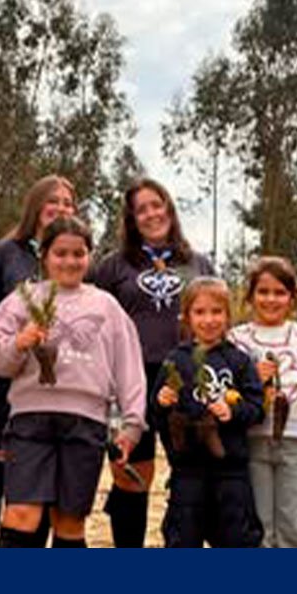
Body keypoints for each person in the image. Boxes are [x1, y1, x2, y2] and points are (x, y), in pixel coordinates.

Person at [0, 216, 146, 548]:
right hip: (30, 421)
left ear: (89, 256)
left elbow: (129, 368)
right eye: (60, 253)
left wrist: (131, 425)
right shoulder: (22, 299)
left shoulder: (105, 305)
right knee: (21, 515)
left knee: (69, 521)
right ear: (44, 256)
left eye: (78, 253)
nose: (70, 261)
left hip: (85, 424)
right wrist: (19, 343)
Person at [88, 177, 215, 547]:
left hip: (187, 377)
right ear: (131, 218)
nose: (151, 214)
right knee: (131, 475)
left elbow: (217, 320)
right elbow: (94, 320)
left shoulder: (198, 263)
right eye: (141, 209)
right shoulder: (113, 267)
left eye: (157, 204)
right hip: (130, 379)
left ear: (169, 209)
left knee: (190, 475)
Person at [0, 175, 77, 548]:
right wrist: (16, 329)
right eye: (52, 201)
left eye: (68, 203)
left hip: (48, 387)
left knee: (32, 490)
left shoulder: (73, 255)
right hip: (1, 382)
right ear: (35, 207)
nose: (60, 208)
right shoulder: (5, 253)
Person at [152, 277, 264, 548]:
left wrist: (233, 411)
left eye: (217, 312)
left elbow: (256, 407)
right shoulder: (175, 359)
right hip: (187, 472)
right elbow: (156, 415)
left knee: (237, 539)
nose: (209, 320)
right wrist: (162, 402)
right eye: (199, 312)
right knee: (183, 539)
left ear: (228, 316)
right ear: (187, 317)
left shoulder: (240, 361)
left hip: (231, 473)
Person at [228, 257, 297, 548]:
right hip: (252, 440)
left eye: (279, 293)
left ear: (292, 298)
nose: (271, 299)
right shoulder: (236, 339)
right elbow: (227, 393)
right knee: (260, 524)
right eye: (263, 292)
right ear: (250, 296)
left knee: (294, 523)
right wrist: (252, 379)